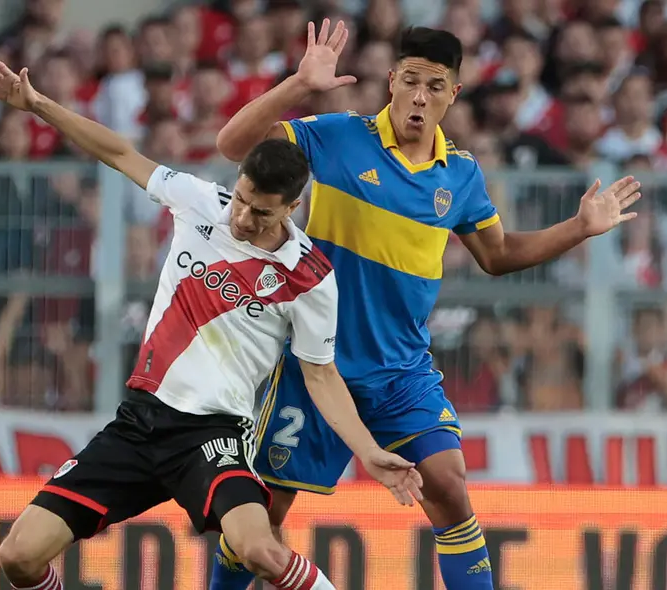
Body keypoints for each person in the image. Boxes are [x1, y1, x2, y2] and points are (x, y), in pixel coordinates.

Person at [208, 23, 642, 590]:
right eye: (409, 80)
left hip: (400, 371)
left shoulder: (460, 176)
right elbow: (233, 147)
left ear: (453, 95)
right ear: (391, 82)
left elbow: (500, 254)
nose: (419, 95)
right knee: (262, 517)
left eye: (434, 86)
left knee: (449, 484)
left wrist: (580, 228)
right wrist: (297, 85)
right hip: (315, 365)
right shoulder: (337, 136)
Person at [0, 53, 423, 590]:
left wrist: (370, 451)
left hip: (212, 436)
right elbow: (118, 152)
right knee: (18, 556)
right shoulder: (201, 203)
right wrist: (37, 104)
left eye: (262, 214)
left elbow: (322, 375)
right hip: (137, 425)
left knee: (260, 548)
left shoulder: (310, 277)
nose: (244, 218)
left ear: (293, 207)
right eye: (245, 201)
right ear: (240, 180)